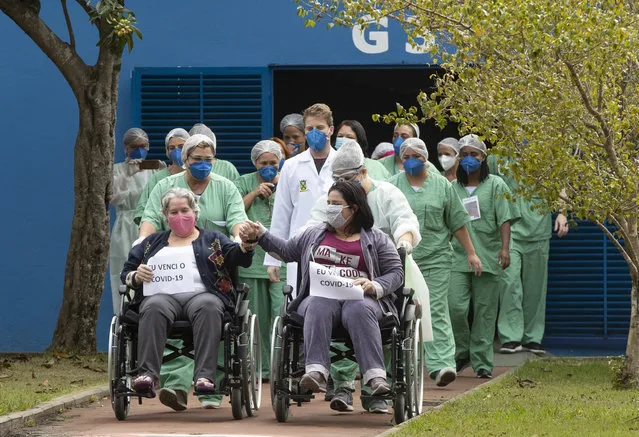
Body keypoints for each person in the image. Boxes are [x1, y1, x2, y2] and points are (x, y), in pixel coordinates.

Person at [240, 180, 404, 407]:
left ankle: (375, 376)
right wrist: (262, 235)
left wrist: (374, 285)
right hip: (321, 297)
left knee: (360, 308)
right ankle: (316, 371)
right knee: (318, 303)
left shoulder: (377, 239)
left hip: (360, 298)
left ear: (354, 208)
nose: (330, 208)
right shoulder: (313, 234)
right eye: (328, 203)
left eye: (336, 204)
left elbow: (396, 272)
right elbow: (287, 251)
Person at [306, 140, 420, 413]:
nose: (344, 184)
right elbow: (312, 227)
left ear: (364, 172)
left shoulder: (387, 194)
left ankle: (375, 390)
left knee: (377, 321)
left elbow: (405, 220)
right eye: (339, 179)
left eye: (349, 178)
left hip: (380, 274)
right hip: (341, 277)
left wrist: (402, 242)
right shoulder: (331, 200)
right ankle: (343, 386)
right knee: (341, 306)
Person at [137, 133, 249, 410]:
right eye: (196, 159)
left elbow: (237, 218)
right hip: (169, 268)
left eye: (208, 159)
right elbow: (151, 217)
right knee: (157, 307)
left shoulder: (225, 187)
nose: (203, 164)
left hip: (212, 271)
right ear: (184, 160)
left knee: (212, 311)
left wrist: (240, 239)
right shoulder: (166, 185)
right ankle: (174, 385)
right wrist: (141, 244)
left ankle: (210, 386)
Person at [122, 188, 254, 397]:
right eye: (173, 212)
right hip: (163, 298)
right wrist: (136, 276)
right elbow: (127, 272)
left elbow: (239, 257)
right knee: (153, 306)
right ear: (165, 216)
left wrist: (246, 244)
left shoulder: (214, 239)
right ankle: (147, 375)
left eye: (185, 210)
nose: (179, 216)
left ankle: (204, 376)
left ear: (195, 211)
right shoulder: (151, 243)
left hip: (203, 296)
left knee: (209, 306)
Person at [389, 137, 482, 389]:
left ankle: (441, 364)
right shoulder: (392, 186)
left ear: (425, 158)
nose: (410, 162)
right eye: (405, 157)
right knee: (396, 312)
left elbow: (458, 222)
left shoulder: (442, 186)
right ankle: (394, 367)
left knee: (436, 307)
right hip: (401, 260)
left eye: (416, 157)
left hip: (437, 258)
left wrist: (471, 253)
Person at [447, 135, 520, 379]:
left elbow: (505, 218)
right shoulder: (452, 188)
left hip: (488, 255)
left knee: (485, 311)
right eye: (464, 154)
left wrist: (505, 248)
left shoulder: (497, 184)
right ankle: (462, 351)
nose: (469, 159)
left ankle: (482, 362)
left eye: (474, 155)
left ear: (484, 158)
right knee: (455, 307)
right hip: (457, 257)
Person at [487, 154, 570, 355]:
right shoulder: (497, 157)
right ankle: (511, 337)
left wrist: (562, 212)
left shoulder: (545, 151)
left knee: (535, 287)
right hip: (509, 228)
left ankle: (533, 337)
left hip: (538, 226)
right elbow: (487, 186)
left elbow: (560, 185)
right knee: (509, 283)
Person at [264, 103, 338, 292]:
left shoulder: (342, 164)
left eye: (320, 128)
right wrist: (273, 258)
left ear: (330, 129)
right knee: (298, 306)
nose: (315, 132)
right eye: (310, 128)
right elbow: (282, 213)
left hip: (337, 249)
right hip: (299, 247)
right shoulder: (291, 166)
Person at [234, 140, 285, 377]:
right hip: (253, 261)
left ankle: (281, 366)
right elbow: (234, 213)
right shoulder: (243, 183)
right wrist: (254, 193)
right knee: (257, 317)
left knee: (280, 312)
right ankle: (259, 369)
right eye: (263, 163)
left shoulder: (287, 180)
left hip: (280, 259)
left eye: (273, 163)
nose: (268, 167)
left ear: (280, 161)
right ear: (255, 163)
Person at [109, 127, 164, 313]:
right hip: (125, 225)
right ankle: (124, 315)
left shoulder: (155, 170)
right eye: (135, 146)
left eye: (143, 145)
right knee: (123, 268)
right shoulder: (117, 170)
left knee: (152, 269)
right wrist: (127, 176)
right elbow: (113, 198)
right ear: (126, 148)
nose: (139, 149)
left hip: (149, 224)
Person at [134, 128, 190, 225]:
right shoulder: (158, 178)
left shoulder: (194, 175)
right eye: (172, 148)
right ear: (167, 151)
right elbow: (143, 210)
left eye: (181, 146)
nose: (177, 151)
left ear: (189, 148)